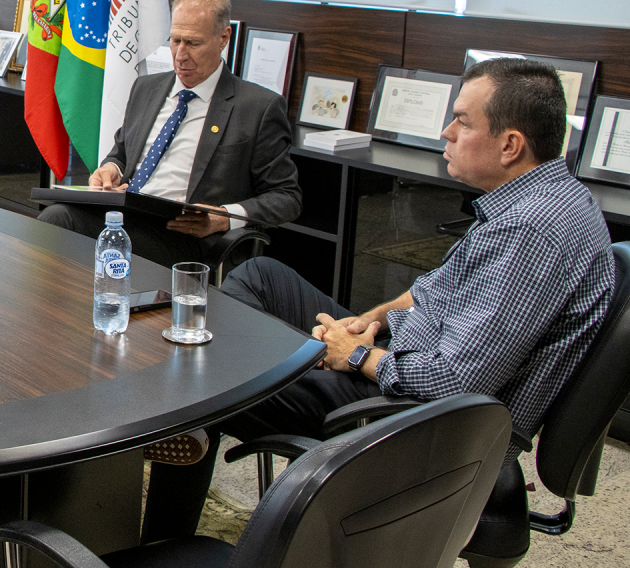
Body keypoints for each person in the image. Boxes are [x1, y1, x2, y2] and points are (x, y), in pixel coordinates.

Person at [139, 57, 616, 544]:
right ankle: (199, 412)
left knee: (207, 368)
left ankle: (173, 483)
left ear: (510, 144)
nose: (447, 132)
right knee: (262, 275)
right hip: (406, 356)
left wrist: (357, 355)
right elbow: (438, 288)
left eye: (463, 121)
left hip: (414, 419)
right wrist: (369, 323)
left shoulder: (530, 234)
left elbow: (455, 382)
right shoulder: (545, 200)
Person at [38, 0, 301, 267]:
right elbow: (122, 154)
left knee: (92, 245)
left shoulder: (258, 107)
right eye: (175, 41)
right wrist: (110, 170)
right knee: (56, 217)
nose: (180, 55)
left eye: (193, 43)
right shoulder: (146, 88)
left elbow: (287, 197)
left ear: (223, 38)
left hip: (181, 236)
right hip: (125, 212)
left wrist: (224, 216)